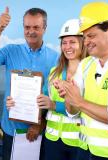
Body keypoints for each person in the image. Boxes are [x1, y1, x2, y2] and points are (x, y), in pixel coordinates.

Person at [54, 2, 108, 160]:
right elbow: (73, 113)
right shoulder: (86, 65)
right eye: (84, 37)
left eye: (91, 36)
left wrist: (79, 101)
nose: (86, 42)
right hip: (85, 151)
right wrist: (69, 96)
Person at [0, 7, 59, 160]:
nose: (31, 31)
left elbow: (55, 95)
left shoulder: (55, 58)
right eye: (27, 27)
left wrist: (40, 123)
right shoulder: (11, 51)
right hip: (12, 131)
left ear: (45, 28)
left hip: (40, 131)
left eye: (36, 27)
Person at [40, 19, 89, 160]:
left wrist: (55, 105)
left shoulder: (91, 72)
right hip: (52, 139)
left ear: (83, 43)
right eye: (64, 42)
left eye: (72, 42)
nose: (68, 47)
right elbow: (44, 100)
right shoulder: (53, 72)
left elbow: (90, 108)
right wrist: (18, 102)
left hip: (78, 142)